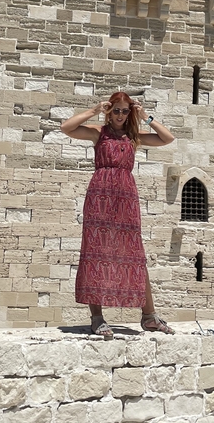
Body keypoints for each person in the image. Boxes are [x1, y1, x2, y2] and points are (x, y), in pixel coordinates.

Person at [60, 92, 176, 339]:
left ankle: (148, 316)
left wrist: (146, 117)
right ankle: (97, 318)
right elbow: (67, 128)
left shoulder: (133, 137)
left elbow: (167, 138)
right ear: (109, 110)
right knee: (96, 252)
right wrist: (94, 110)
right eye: (116, 110)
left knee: (134, 253)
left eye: (125, 111)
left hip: (126, 196)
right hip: (99, 194)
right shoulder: (97, 133)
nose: (121, 115)